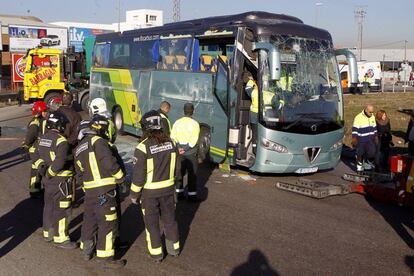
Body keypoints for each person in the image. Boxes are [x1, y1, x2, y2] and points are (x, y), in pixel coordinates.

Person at [74, 116, 125, 268]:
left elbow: (79, 173)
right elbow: (110, 163)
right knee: (107, 222)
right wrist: (120, 178)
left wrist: (86, 187)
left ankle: (87, 251)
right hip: (104, 190)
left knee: (90, 221)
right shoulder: (99, 142)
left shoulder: (79, 147)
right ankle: (105, 258)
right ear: (102, 128)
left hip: (89, 192)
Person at [130, 110, 180, 262]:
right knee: (170, 220)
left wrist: (134, 195)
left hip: (150, 194)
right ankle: (174, 249)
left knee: (152, 224)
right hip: (169, 190)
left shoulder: (142, 148)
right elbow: (178, 169)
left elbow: (139, 177)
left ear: (145, 127)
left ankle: (157, 254)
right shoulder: (172, 143)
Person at [34, 111, 78, 249]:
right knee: (62, 209)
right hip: (60, 181)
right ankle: (61, 239)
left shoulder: (43, 138)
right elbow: (59, 162)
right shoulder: (61, 141)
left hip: (48, 182)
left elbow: (35, 155)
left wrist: (43, 171)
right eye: (64, 125)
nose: (65, 127)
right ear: (59, 125)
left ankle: (48, 233)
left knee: (48, 207)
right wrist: (51, 173)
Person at [171, 103, 200, 201]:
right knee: (192, 174)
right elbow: (194, 139)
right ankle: (192, 196)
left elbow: (173, 137)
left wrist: (179, 148)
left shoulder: (177, 122)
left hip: (179, 152)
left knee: (179, 173)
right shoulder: (195, 123)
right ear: (193, 111)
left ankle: (179, 195)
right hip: (191, 153)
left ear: (183, 111)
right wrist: (186, 148)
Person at [22, 101, 48, 198]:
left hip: (39, 149)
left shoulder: (41, 120)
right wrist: (26, 145)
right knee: (36, 171)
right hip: (35, 150)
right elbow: (29, 138)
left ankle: (36, 189)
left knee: (37, 171)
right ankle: (34, 191)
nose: (46, 112)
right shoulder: (35, 123)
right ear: (39, 111)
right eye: (44, 110)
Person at [352, 104, 378, 173]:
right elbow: (355, 129)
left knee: (372, 153)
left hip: (370, 139)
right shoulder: (358, 117)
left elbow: (374, 127)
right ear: (366, 110)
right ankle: (359, 168)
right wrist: (354, 139)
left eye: (372, 112)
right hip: (361, 140)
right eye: (370, 112)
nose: (371, 113)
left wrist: (376, 137)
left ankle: (367, 164)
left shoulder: (372, 117)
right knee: (360, 154)